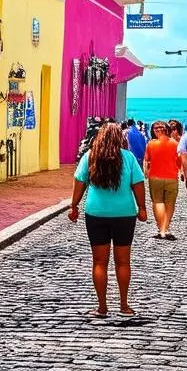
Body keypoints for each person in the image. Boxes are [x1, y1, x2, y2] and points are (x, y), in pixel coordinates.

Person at [69, 122, 147, 318]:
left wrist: (74, 206)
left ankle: (102, 307)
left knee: (99, 262)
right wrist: (142, 208)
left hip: (96, 213)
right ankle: (124, 305)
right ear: (120, 138)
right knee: (123, 262)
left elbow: (80, 183)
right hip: (124, 214)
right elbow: (138, 185)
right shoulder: (128, 158)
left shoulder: (90, 157)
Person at [144, 120, 181, 240]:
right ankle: (165, 228)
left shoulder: (151, 144)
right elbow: (179, 161)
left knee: (158, 202)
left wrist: (145, 173)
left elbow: (147, 160)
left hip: (155, 177)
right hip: (171, 177)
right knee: (170, 203)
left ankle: (161, 229)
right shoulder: (175, 143)